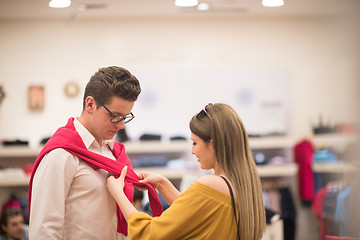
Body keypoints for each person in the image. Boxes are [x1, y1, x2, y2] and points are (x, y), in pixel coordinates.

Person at [28, 66, 163, 240]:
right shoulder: (61, 155)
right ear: (90, 104)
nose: (121, 125)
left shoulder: (114, 151)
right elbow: (45, 230)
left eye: (125, 117)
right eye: (115, 116)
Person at [107, 103, 266, 240]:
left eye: (195, 143)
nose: (192, 151)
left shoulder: (211, 183)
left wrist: (118, 194)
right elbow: (193, 215)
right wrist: (162, 184)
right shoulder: (242, 185)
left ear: (213, 144)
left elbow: (150, 234)